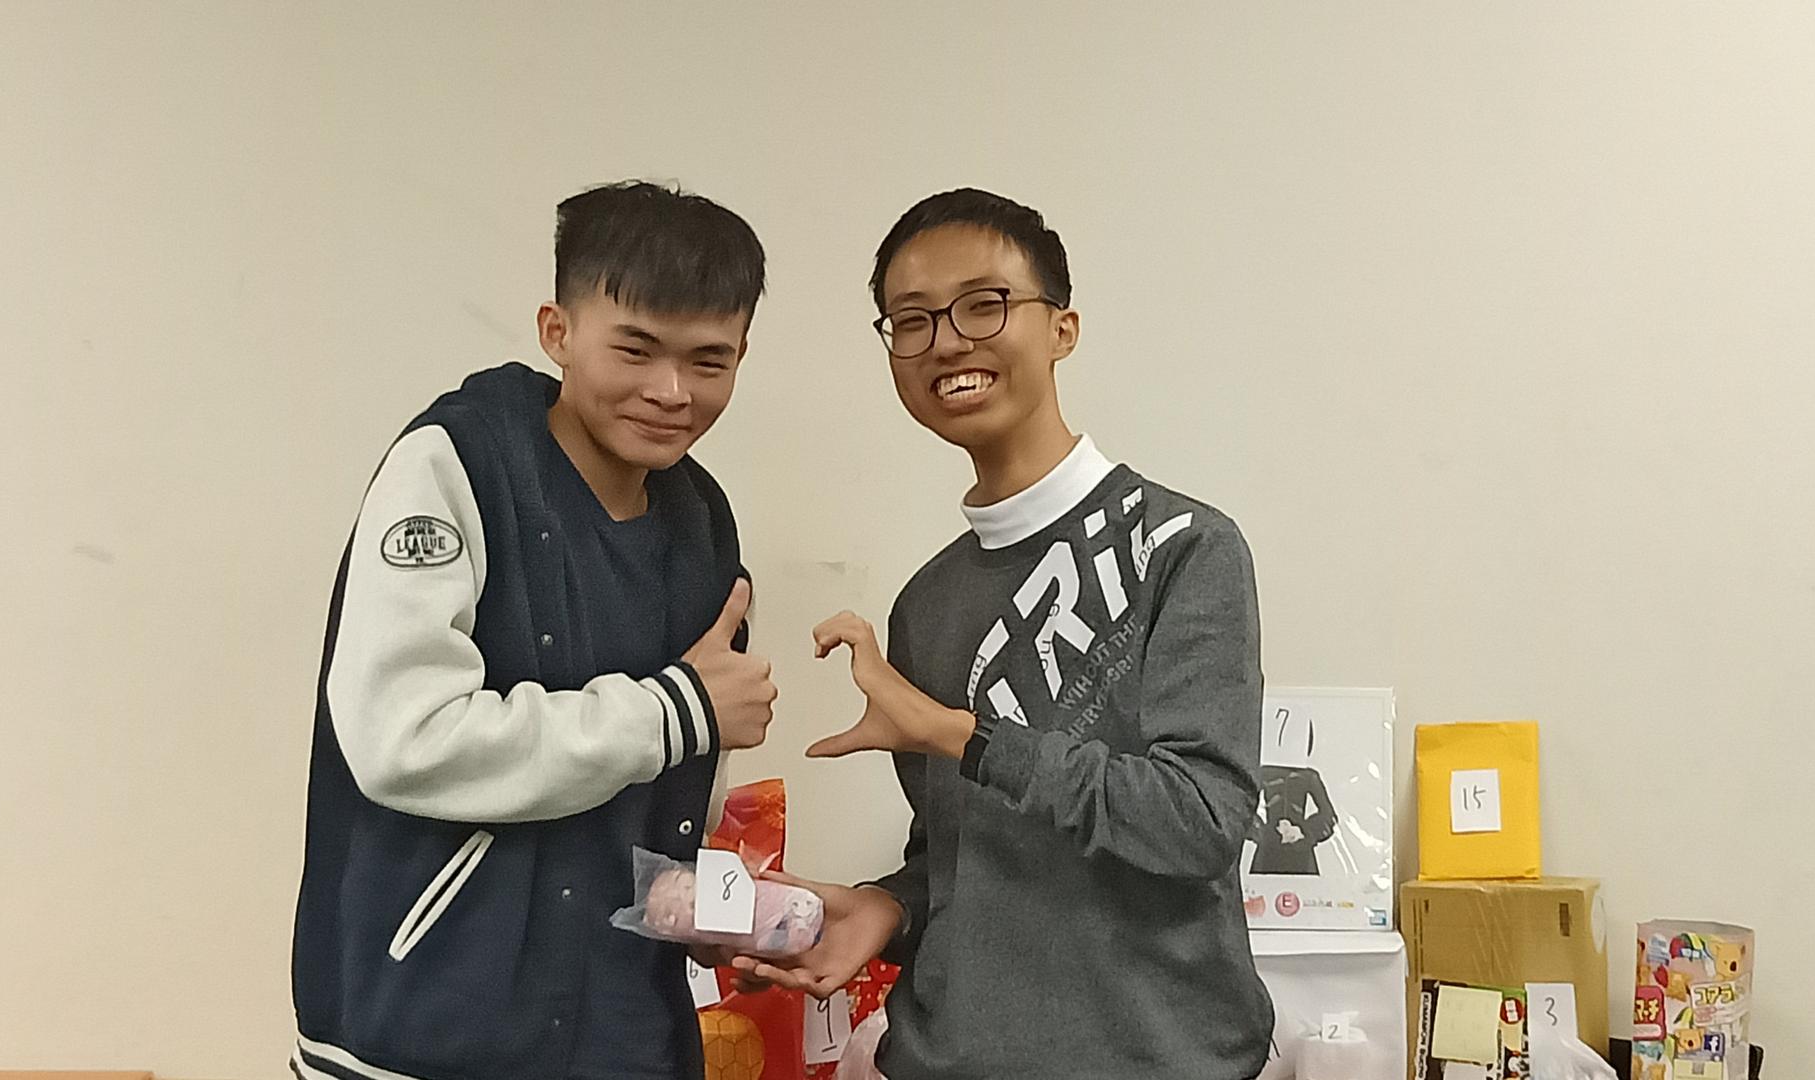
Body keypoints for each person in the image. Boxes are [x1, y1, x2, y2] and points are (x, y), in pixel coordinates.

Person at [736, 189, 1274, 1079]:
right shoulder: (926, 603)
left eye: (983, 304)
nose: (946, 341)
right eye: (912, 320)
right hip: (949, 1057)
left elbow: (1198, 823)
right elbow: (960, 859)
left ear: (1062, 328)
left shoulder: (1183, 546)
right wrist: (887, 907)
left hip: (1158, 1058)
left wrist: (961, 735)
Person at [290, 180, 779, 1080]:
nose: (671, 391)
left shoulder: (700, 519)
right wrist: (676, 710)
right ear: (557, 332)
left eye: (709, 361)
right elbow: (402, 740)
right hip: (423, 1036)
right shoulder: (454, 467)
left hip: (628, 1039)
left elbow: (669, 795)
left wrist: (716, 910)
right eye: (635, 349)